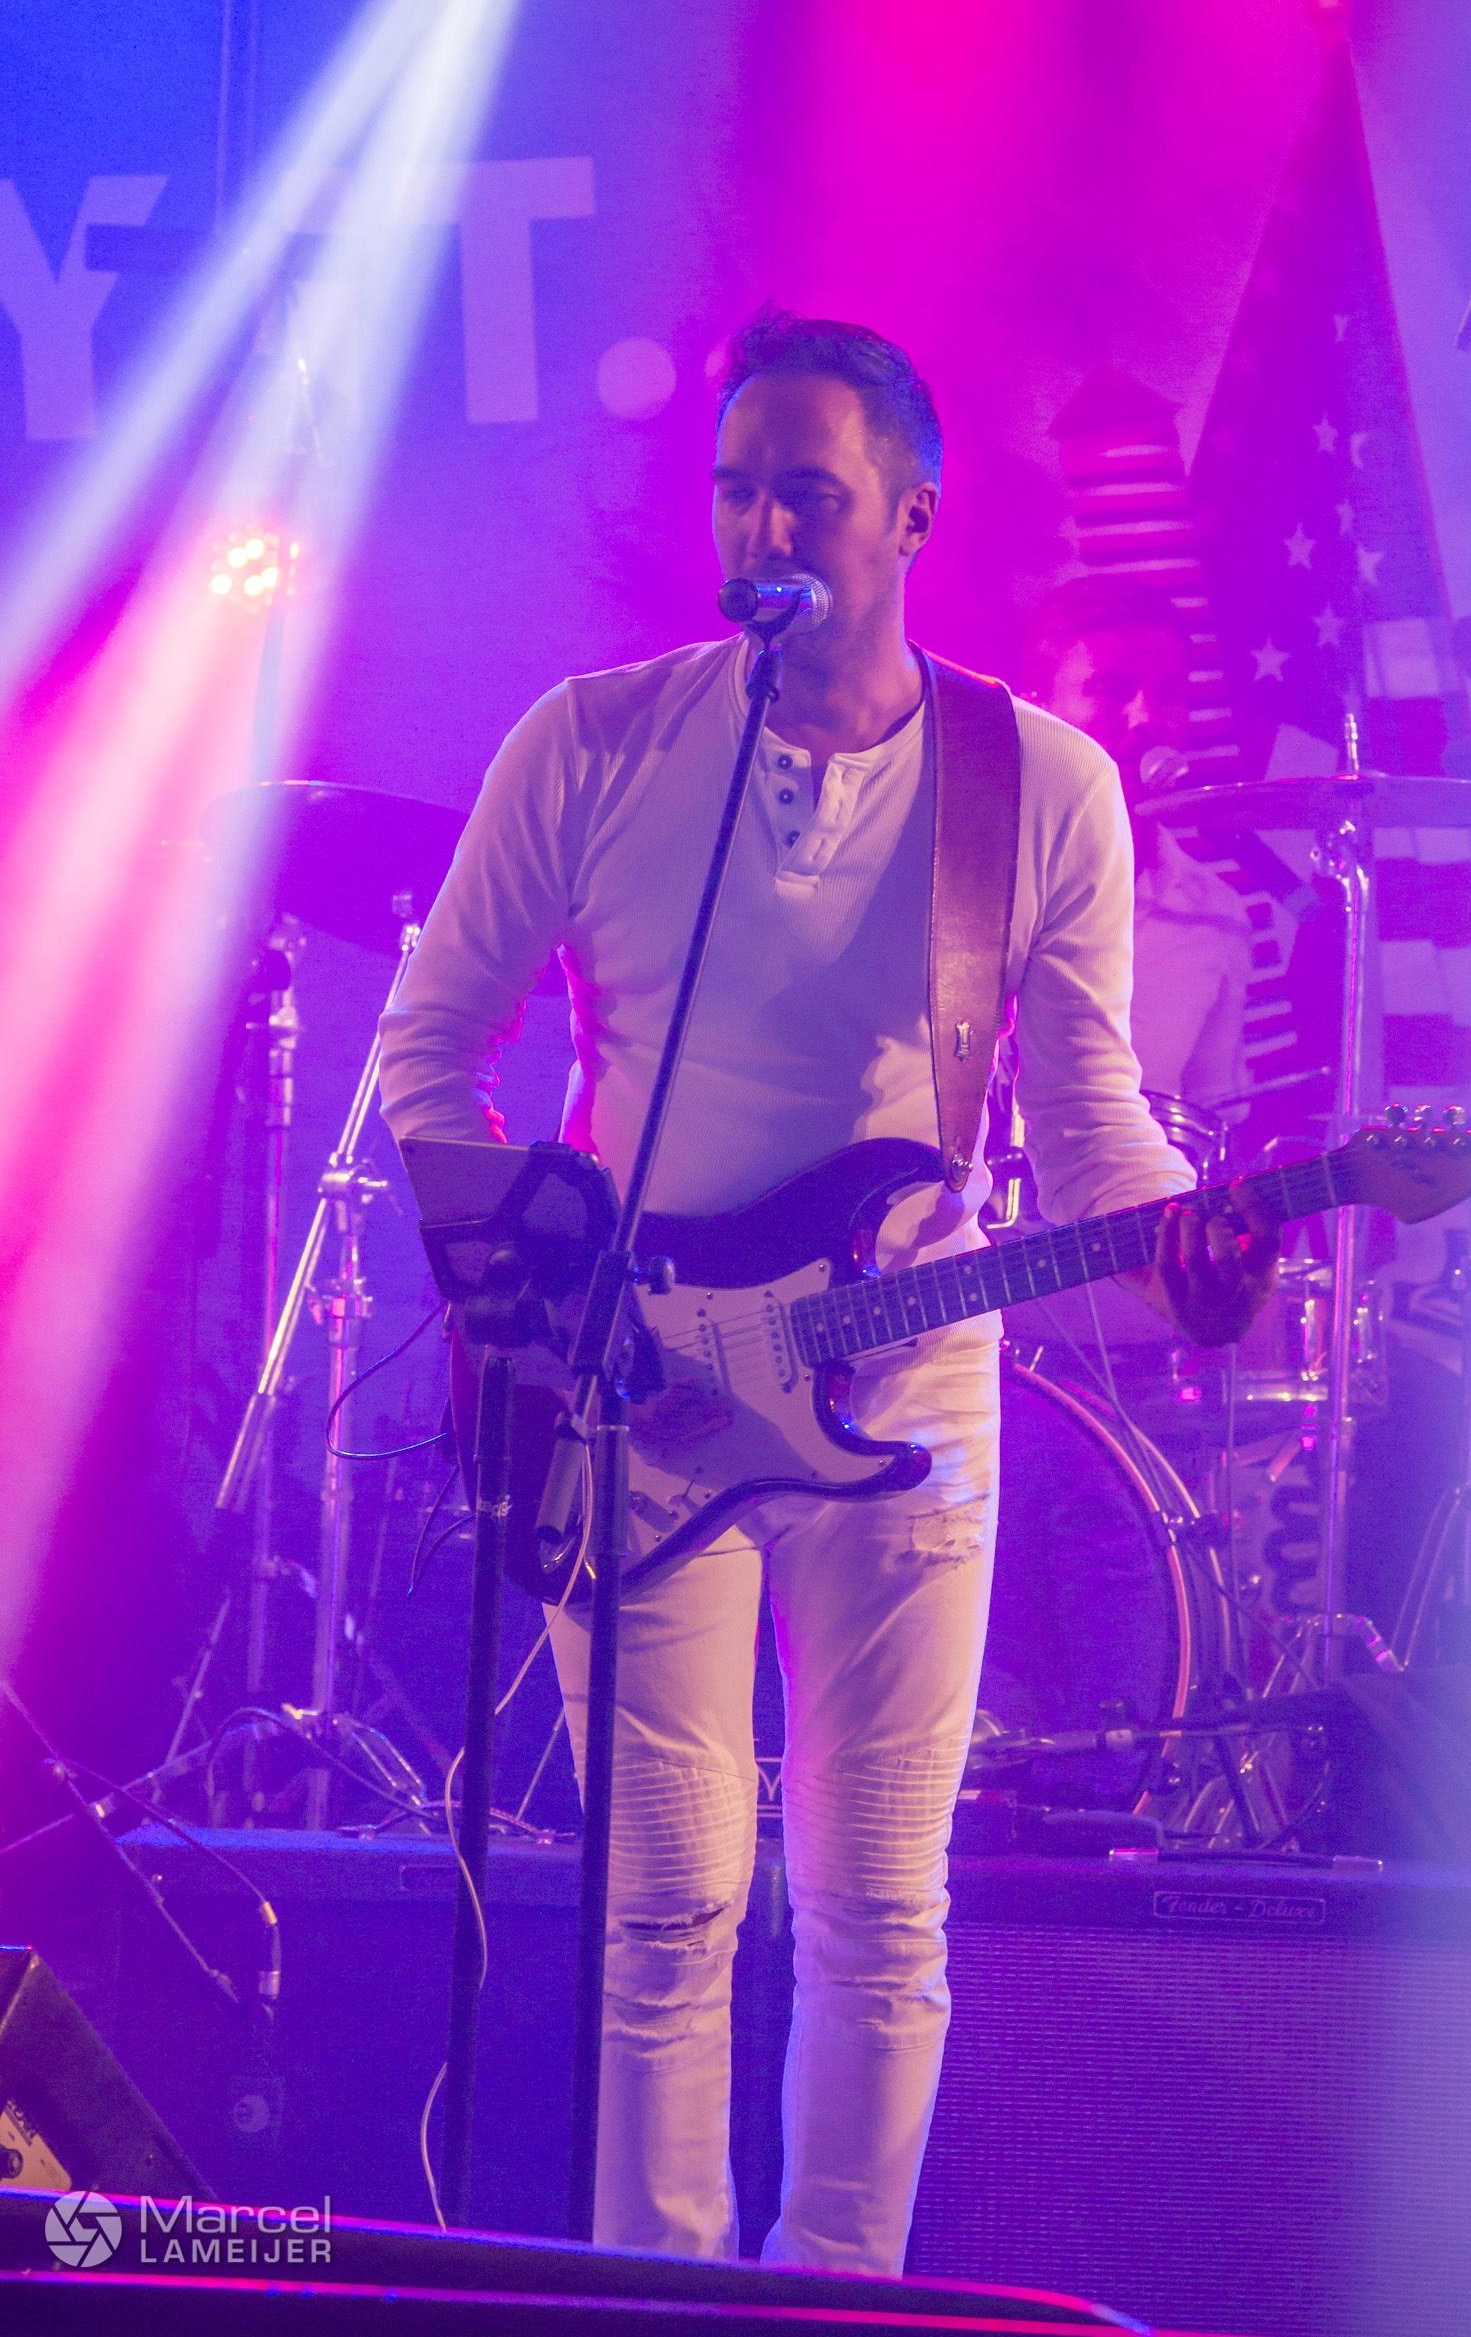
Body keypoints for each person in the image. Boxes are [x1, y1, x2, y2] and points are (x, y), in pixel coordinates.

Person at [377, 311, 1278, 2273]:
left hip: (906, 1377)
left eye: (806, 492)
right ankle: (656, 2303)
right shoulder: (594, 744)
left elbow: (1091, 1121)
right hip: (629, 1382)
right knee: (664, 1898)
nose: (759, 527)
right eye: (733, 489)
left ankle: (837, 2305)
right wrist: (517, 1283)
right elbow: (428, 1051)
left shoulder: (1035, 785)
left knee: (876, 1902)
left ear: (911, 519)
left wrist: (1177, 1241)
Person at [1021, 574, 1256, 1123]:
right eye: (1111, 688)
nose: (1147, 718)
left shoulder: (1215, 915)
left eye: (1170, 693)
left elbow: (1208, 1126)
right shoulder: (955, 876)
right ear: (1035, 712)